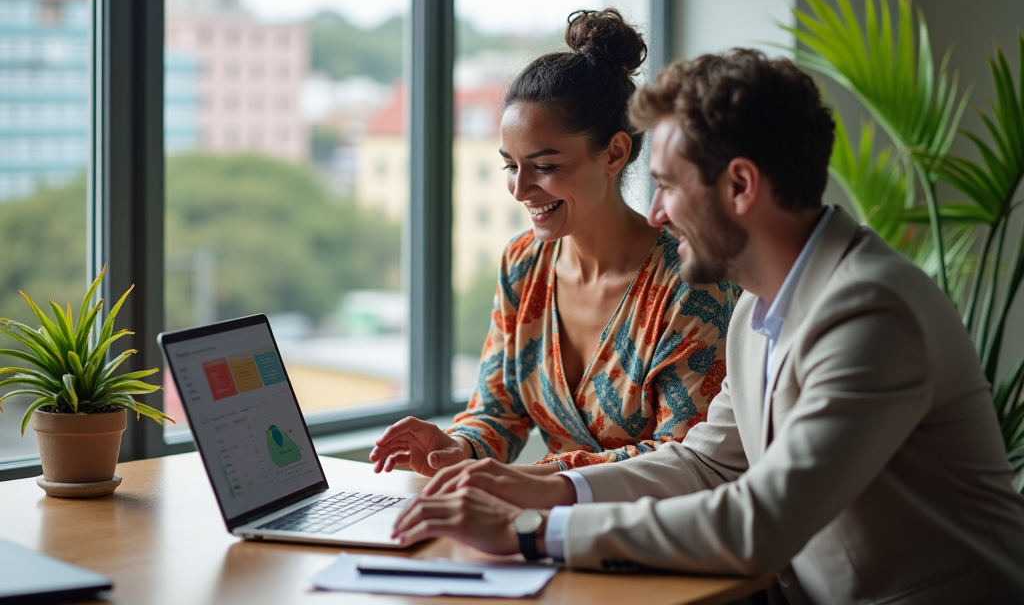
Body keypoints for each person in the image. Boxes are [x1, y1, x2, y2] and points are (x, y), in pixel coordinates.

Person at [390, 49, 1024, 604]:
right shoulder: (757, 306)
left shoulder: (871, 312)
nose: (658, 213)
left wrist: (525, 530)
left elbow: (759, 522)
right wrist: (536, 489)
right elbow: (704, 465)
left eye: (667, 185)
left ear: (741, 186)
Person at [370, 10, 739, 477]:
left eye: (544, 167)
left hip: (658, 537)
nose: (520, 190)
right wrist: (455, 448)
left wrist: (530, 480)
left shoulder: (691, 282)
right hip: (544, 530)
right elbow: (498, 410)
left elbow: (685, 461)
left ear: (616, 152)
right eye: (510, 165)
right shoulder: (524, 263)